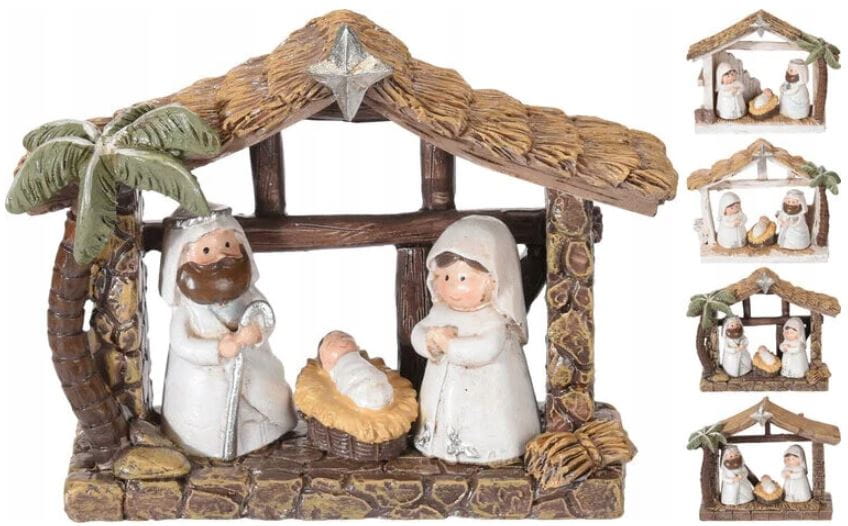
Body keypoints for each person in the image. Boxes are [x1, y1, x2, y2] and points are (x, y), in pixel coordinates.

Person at [159, 206, 296, 458]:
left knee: (269, 398)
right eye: (206, 251)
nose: (221, 256)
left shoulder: (248, 294)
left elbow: (264, 312)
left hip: (255, 368)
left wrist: (258, 330)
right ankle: (204, 446)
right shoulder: (186, 311)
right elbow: (181, 343)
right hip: (204, 386)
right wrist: (217, 349)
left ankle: (266, 433)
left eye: (227, 245)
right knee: (210, 420)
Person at [411, 215, 540, 465]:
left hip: (487, 395)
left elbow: (487, 349)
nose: (453, 289)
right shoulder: (441, 312)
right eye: (446, 278)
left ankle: (490, 449)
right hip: (442, 393)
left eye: (463, 279)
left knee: (480, 422)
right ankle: (436, 443)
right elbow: (419, 330)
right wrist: (428, 341)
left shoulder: (495, 319)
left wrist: (450, 345)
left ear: (493, 280)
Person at [318, 330, 393, 410]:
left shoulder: (360, 360)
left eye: (344, 336)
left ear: (357, 347)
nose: (342, 342)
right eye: (331, 343)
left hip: (378, 384)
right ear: (326, 363)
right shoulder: (338, 370)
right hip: (358, 390)